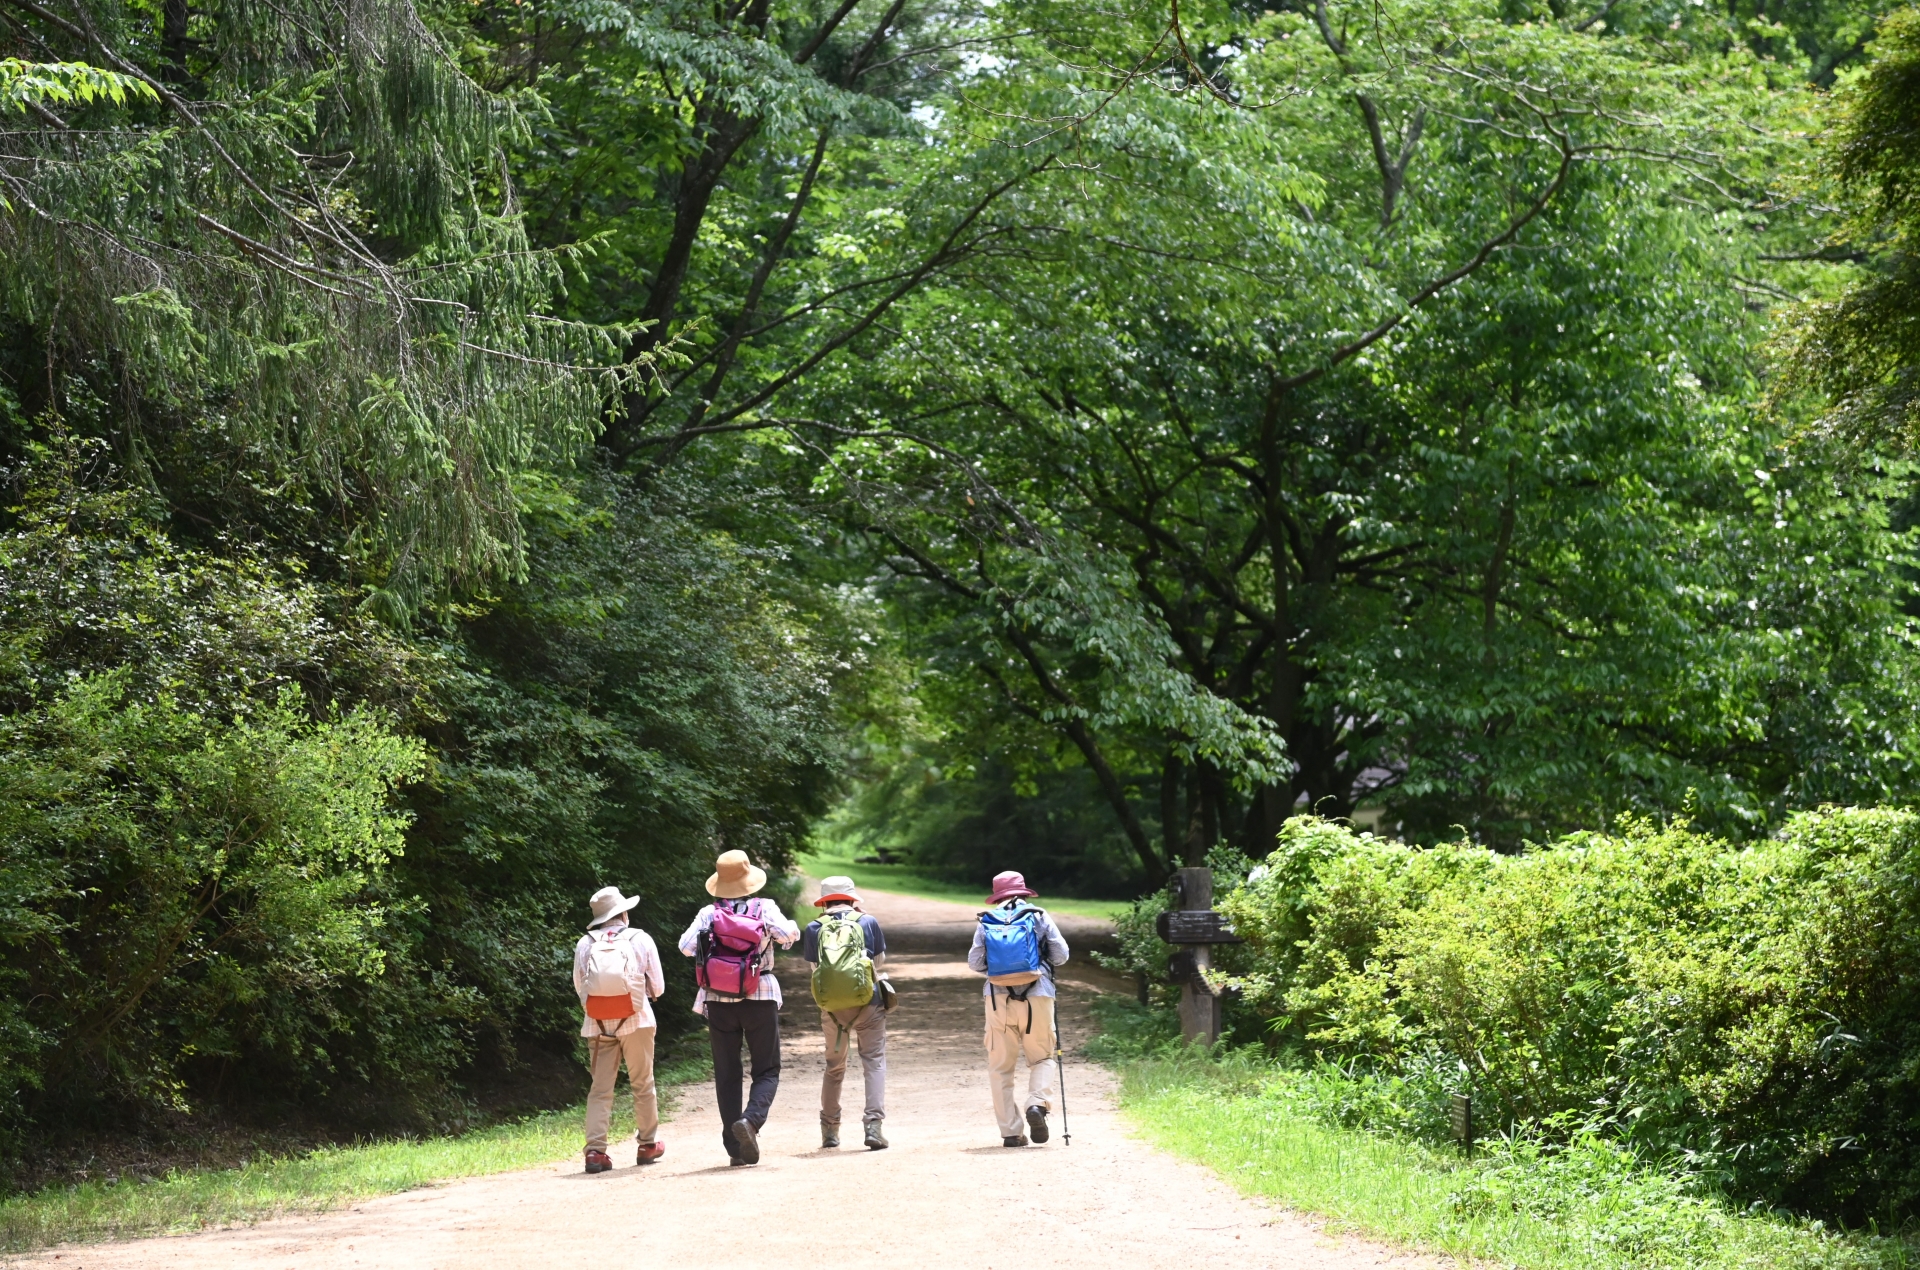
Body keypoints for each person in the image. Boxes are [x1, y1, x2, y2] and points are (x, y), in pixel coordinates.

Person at [678, 848, 800, 1166]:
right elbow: (789, 936)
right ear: (749, 879)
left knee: (727, 1073)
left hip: (718, 1000)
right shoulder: (765, 907)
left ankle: (735, 1148)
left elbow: (686, 947)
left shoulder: (709, 913)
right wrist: (777, 934)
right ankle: (751, 1122)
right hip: (760, 994)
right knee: (767, 1069)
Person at [968, 870, 1070, 1147]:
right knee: (1043, 1057)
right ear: (1024, 892)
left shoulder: (986, 921)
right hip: (1038, 996)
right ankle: (1036, 1104)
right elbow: (1061, 955)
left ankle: (1011, 1132)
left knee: (1000, 1067)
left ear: (997, 895)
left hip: (998, 1000)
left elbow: (975, 962)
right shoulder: (1037, 916)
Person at [573, 885, 667, 1174]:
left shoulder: (585, 943)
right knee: (642, 1082)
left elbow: (580, 989)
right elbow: (658, 987)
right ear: (623, 913)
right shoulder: (641, 939)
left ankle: (595, 1153)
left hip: (598, 1023)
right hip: (637, 1020)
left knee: (600, 1089)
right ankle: (647, 1144)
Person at [800, 875, 889, 1150]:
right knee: (873, 1061)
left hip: (832, 1008)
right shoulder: (867, 922)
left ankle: (830, 1130)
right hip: (869, 1002)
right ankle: (873, 1126)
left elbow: (815, 970)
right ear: (852, 899)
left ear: (824, 901)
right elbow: (878, 962)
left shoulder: (814, 927)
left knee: (834, 1067)